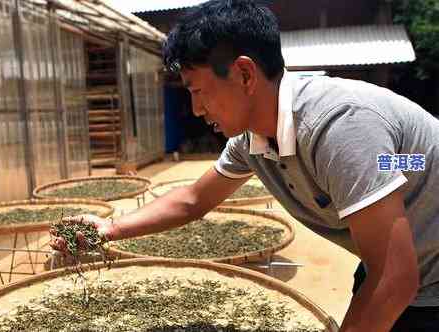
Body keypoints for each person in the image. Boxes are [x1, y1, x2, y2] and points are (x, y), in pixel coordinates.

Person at [51, 0, 439, 330]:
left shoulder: (339, 127)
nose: (196, 109)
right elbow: (192, 199)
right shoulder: (252, 141)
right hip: (399, 261)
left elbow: (395, 280)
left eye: (199, 91)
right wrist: (110, 228)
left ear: (244, 74)